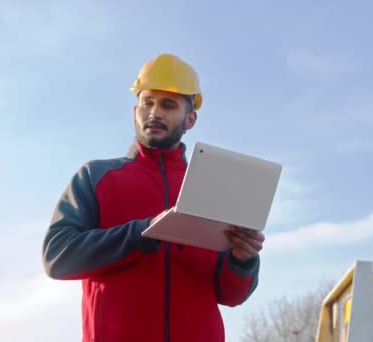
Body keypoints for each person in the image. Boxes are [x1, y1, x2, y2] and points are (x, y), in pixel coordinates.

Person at [42, 53, 264, 342]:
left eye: (168, 105)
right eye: (148, 103)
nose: (154, 113)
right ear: (135, 110)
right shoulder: (96, 176)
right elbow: (57, 257)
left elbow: (231, 295)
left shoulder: (213, 185)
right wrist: (141, 233)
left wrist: (243, 260)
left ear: (191, 118)